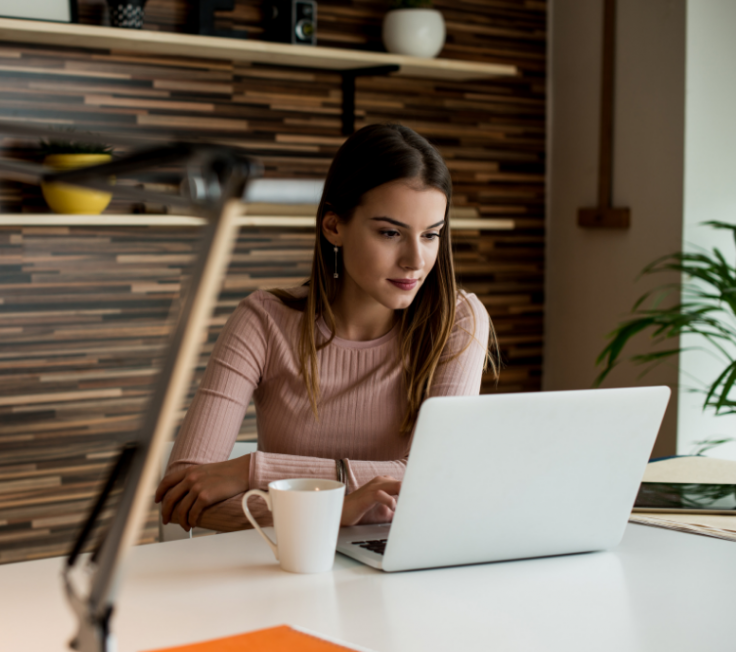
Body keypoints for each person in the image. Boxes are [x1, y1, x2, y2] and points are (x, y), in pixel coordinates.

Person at [155, 123, 497, 533]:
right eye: (390, 233)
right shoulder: (263, 321)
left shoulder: (457, 320)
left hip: (406, 566)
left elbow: (437, 477)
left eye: (430, 235)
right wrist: (337, 512)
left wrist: (255, 470)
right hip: (282, 571)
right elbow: (183, 495)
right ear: (334, 226)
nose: (415, 260)